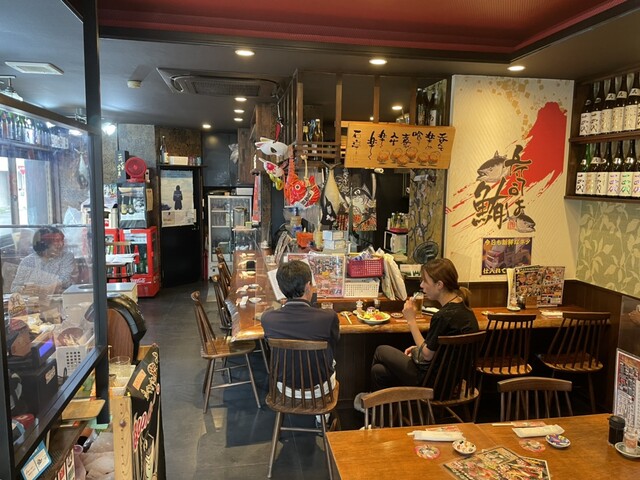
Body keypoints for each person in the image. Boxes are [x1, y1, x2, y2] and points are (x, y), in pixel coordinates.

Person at [358, 258, 479, 408]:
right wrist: (417, 349)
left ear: (439, 285)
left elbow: (426, 355)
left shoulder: (443, 316)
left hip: (433, 384)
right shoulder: (466, 311)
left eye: (425, 281)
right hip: (453, 382)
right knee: (379, 371)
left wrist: (411, 320)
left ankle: (374, 409)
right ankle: (380, 412)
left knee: (381, 350)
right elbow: (439, 351)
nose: (421, 285)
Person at [261, 260, 340, 422]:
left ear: (281, 289)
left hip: (284, 388)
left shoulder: (268, 319)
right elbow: (335, 342)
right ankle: (322, 418)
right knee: (331, 358)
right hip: (319, 389)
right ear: (308, 286)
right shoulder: (328, 317)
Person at [11, 227, 78, 294]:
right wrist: (23, 289)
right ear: (44, 243)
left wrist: (41, 289)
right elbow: (14, 288)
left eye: (62, 240)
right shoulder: (28, 261)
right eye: (57, 241)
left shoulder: (66, 257)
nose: (61, 244)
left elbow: (65, 281)